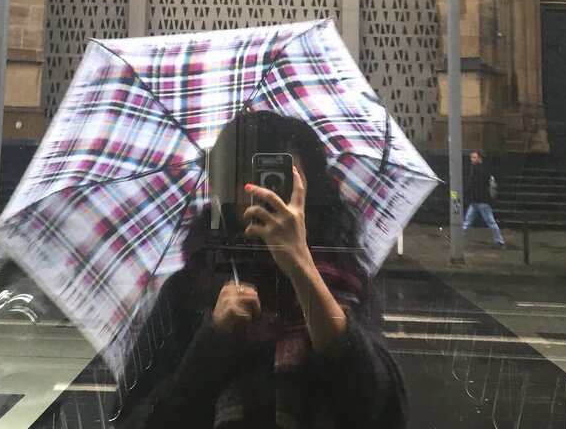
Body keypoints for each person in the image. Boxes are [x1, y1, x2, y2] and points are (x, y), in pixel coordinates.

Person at [115, 112, 407, 429]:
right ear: (224, 188)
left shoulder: (346, 283)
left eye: (282, 175)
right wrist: (212, 340)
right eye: (247, 173)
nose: (264, 191)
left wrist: (303, 272)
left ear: (311, 187)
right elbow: (135, 419)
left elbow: (387, 413)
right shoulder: (188, 291)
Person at [462, 150, 505, 248]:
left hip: (481, 200)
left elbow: (477, 185)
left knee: (489, 221)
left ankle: (500, 241)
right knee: (468, 221)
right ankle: (457, 236)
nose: (471, 159)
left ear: (479, 158)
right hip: (478, 200)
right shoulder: (479, 169)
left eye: (474, 157)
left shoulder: (481, 171)